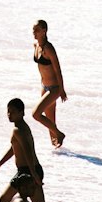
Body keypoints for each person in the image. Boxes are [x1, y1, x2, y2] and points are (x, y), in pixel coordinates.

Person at [32, 19, 67, 147]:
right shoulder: (36, 46)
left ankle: (60, 134)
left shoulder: (49, 48)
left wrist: (62, 90)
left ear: (44, 31)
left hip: (54, 88)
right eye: (33, 30)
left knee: (36, 114)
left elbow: (58, 70)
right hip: (44, 87)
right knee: (50, 121)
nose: (34, 32)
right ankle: (57, 154)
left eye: (37, 30)